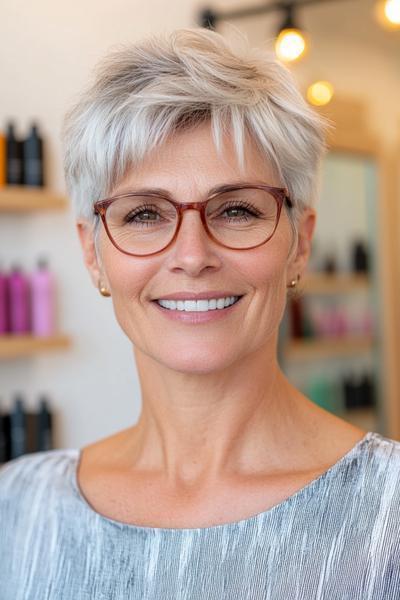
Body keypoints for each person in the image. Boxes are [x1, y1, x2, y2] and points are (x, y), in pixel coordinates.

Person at [1, 27, 400, 600]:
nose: (192, 256)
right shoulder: (15, 511)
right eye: (144, 215)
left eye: (236, 209)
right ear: (93, 253)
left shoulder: (389, 519)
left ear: (300, 243)